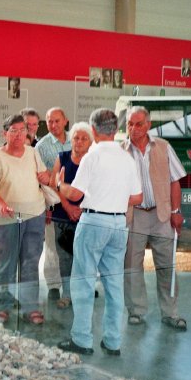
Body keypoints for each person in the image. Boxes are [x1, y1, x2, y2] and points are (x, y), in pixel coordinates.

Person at [56, 108, 142, 356]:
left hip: (94, 221)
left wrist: (61, 184)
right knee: (114, 283)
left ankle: (82, 340)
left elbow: (75, 194)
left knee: (83, 281)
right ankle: (113, 341)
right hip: (119, 224)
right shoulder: (127, 158)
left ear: (93, 131)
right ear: (116, 130)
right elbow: (137, 197)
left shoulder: (91, 156)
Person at [122, 106, 187, 330]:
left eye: (138, 124)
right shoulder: (122, 150)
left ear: (148, 125)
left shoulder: (163, 147)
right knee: (131, 265)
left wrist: (176, 212)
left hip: (161, 215)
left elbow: (175, 180)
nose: (133, 128)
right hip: (134, 216)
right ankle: (136, 311)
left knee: (167, 265)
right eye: (130, 124)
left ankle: (170, 313)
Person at [0, 114, 51, 324]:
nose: (20, 134)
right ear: (5, 134)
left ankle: (30, 307)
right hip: (7, 218)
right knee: (6, 264)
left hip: (35, 215)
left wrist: (47, 177)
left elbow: (44, 178)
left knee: (31, 262)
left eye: (23, 130)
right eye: (14, 130)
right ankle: (4, 305)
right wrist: (0, 203)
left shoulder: (32, 153)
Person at [49, 122, 92, 309]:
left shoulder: (93, 161)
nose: (79, 141)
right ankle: (67, 294)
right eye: (76, 137)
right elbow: (53, 184)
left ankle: (82, 294)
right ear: (71, 139)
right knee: (65, 258)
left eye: (84, 138)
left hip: (87, 216)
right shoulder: (62, 157)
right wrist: (68, 207)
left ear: (91, 142)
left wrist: (81, 209)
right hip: (62, 216)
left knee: (83, 258)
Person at [36, 107, 71, 301]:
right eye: (49, 121)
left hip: (77, 204)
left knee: (74, 246)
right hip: (54, 203)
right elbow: (40, 179)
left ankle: (75, 285)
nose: (53, 125)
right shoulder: (42, 146)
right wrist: (47, 206)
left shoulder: (77, 140)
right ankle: (53, 285)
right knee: (53, 245)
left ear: (65, 121)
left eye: (57, 121)